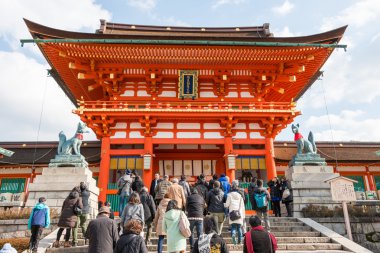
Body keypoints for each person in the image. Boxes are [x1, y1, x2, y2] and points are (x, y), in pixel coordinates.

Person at [72, 182, 90, 247]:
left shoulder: (78, 194)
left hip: (77, 211)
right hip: (85, 211)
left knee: (75, 227)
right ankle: (87, 239)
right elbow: (87, 189)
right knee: (83, 225)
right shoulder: (87, 193)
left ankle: (75, 242)